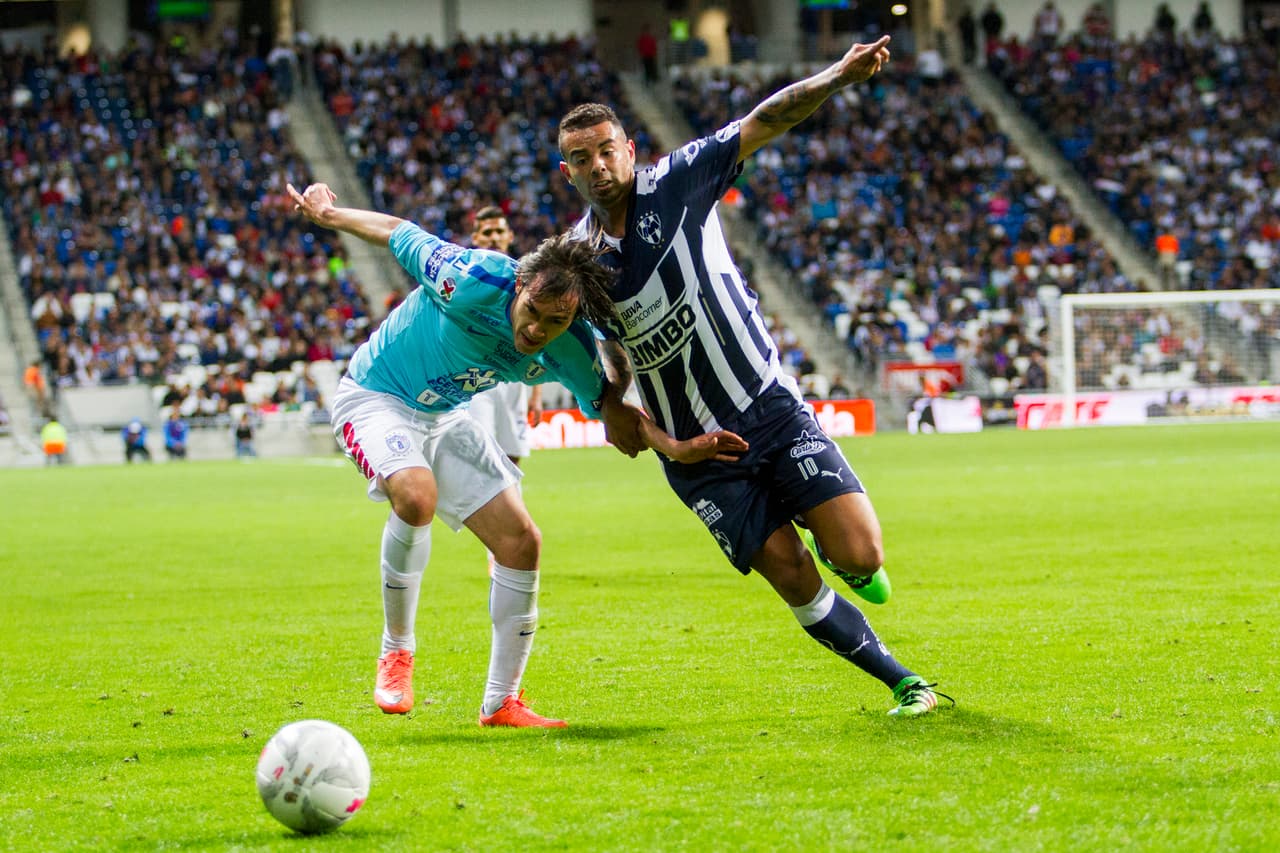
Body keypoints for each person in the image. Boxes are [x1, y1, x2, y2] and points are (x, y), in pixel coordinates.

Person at [557, 35, 951, 717]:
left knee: (861, 553)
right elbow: (610, 355)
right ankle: (904, 681)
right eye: (581, 159)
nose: (598, 166)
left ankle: (837, 545)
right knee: (791, 573)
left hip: (768, 405)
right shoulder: (578, 260)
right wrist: (612, 401)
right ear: (567, 173)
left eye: (606, 150)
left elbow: (764, 119)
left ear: (629, 148)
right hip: (700, 456)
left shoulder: (678, 181)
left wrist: (837, 75)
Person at [287, 180, 744, 727]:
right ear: (520, 285)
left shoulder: (570, 347)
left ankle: (501, 702)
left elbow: (614, 413)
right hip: (375, 395)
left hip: (443, 416)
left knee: (521, 542)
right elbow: (397, 231)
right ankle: (397, 651)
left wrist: (677, 448)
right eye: (532, 311)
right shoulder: (471, 277)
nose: (536, 330)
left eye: (555, 323)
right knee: (416, 496)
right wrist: (329, 216)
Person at [466, 206, 544, 471]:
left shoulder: (527, 278)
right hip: (478, 378)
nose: (494, 237)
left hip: (515, 378)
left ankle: (512, 496)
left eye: (499, 231)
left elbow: (539, 334)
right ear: (475, 238)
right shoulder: (466, 276)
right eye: (487, 232)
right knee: (482, 453)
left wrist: (536, 393)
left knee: (513, 455)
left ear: (510, 236)